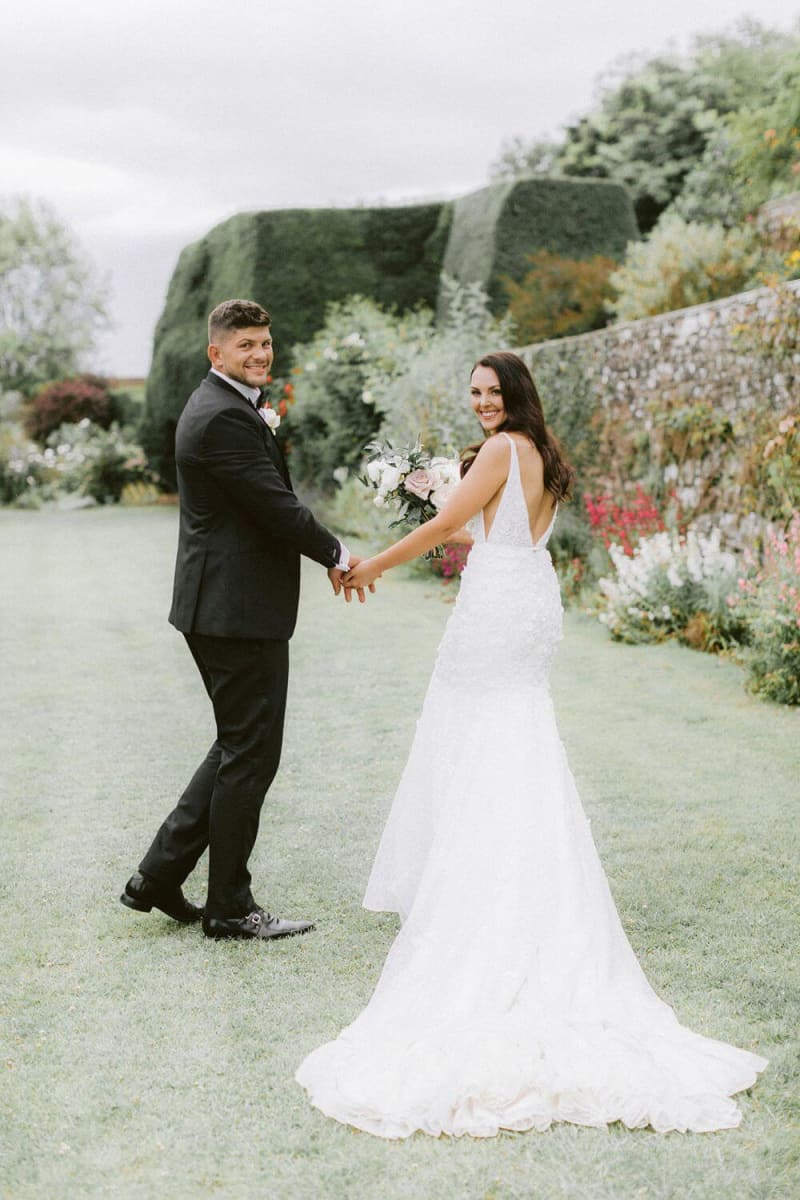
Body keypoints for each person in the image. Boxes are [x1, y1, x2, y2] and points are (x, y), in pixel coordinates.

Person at [295, 351, 766, 1137]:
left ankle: (485, 899)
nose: (482, 401)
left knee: (482, 740)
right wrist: (447, 485)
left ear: (516, 395)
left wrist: (369, 562)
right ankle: (518, 878)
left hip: (497, 609)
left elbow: (451, 528)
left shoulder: (506, 450)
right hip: (523, 597)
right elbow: (481, 519)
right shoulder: (538, 454)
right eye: (474, 391)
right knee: (512, 744)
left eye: (492, 391)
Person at [120, 299, 371, 942]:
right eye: (246, 345)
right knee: (251, 754)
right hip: (233, 612)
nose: (260, 353)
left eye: (265, 342)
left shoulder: (227, 406)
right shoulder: (221, 418)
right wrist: (340, 554)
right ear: (216, 353)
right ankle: (230, 906)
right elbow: (275, 507)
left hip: (228, 606)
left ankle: (158, 876)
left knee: (238, 745)